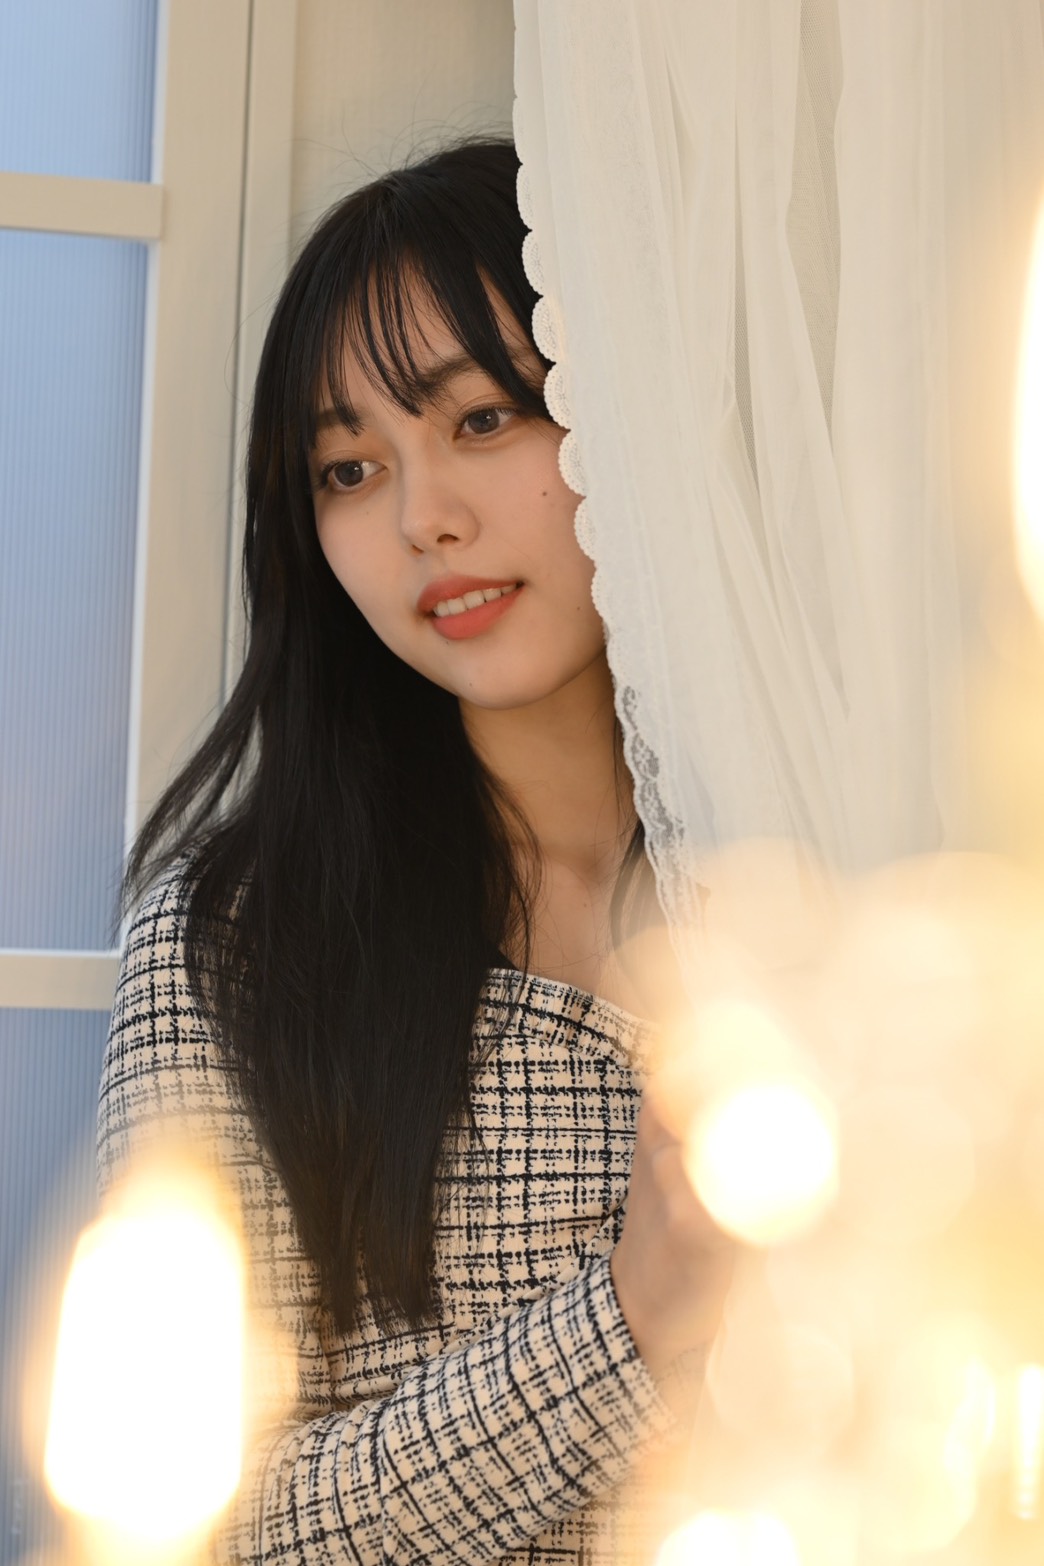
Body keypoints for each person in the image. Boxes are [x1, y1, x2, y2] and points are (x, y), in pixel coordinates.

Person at [98, 138, 731, 1564]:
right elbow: (191, 1525)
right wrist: (626, 1319)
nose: (419, 517)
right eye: (349, 467)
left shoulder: (812, 878)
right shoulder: (239, 942)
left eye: (484, 418)